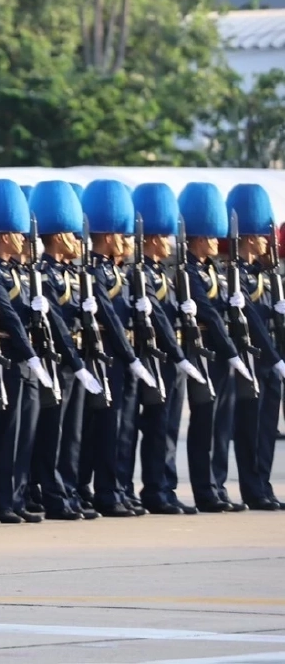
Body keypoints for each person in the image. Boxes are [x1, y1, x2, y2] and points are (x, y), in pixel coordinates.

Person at [0, 180, 55, 524]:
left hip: (27, 358)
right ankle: (3, 498)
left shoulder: (18, 272)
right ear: (5, 235)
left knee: (27, 431)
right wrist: (32, 356)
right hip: (9, 358)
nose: (24, 239)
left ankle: (19, 495)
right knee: (7, 433)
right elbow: (9, 317)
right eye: (18, 233)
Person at [26, 182, 103, 521]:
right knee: (54, 432)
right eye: (72, 235)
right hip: (57, 359)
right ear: (57, 236)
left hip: (77, 358)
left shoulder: (74, 274)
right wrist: (75, 360)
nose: (78, 242)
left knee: (72, 432)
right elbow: (55, 322)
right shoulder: (41, 274)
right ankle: (54, 493)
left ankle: (68, 489)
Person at [79, 180, 154, 517]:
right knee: (109, 428)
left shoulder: (118, 271)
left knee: (126, 428)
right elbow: (108, 318)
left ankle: (120, 488)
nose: (127, 243)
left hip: (126, 355)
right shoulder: (94, 272)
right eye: (122, 237)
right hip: (109, 355)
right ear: (109, 236)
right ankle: (108, 492)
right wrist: (131, 356)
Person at [130, 183, 205, 515]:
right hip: (154, 355)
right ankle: (155, 489)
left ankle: (166, 486)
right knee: (156, 427)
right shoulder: (140, 273)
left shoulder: (165, 274)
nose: (171, 242)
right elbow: (154, 316)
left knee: (170, 427)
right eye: (166, 235)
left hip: (171, 355)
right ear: (153, 237)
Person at [178, 182, 250, 513]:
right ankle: (204, 489)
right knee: (205, 421)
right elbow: (206, 313)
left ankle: (218, 485)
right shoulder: (188, 270)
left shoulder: (215, 270)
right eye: (209, 234)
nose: (215, 240)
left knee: (222, 423)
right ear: (197, 235)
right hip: (204, 349)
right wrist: (231, 351)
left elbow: (223, 309)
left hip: (223, 351)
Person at [223, 184, 285, 511]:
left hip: (270, 360)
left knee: (266, 428)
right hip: (251, 358)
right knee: (249, 428)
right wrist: (275, 358)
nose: (268, 240)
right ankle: (252, 488)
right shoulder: (236, 277)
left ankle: (263, 484)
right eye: (263, 235)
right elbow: (252, 321)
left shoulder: (266, 276)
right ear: (249, 237)